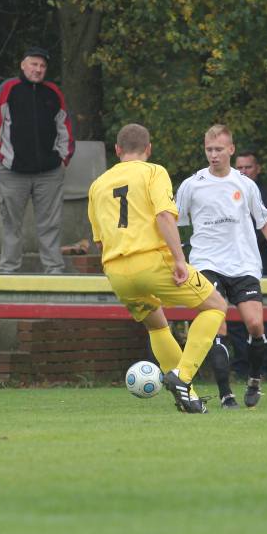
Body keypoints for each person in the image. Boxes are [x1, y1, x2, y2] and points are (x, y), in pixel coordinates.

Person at [87, 123, 228, 414]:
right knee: (215, 306)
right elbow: (164, 216)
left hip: (116, 270)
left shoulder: (98, 185)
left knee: (157, 324)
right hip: (150, 260)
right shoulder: (153, 171)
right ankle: (183, 376)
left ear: (117, 150)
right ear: (148, 149)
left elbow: (99, 241)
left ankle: (187, 398)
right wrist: (179, 259)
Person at [175, 126, 267, 409]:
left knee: (255, 324)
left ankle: (254, 380)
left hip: (243, 264)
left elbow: (263, 221)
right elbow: (174, 225)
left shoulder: (244, 184)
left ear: (231, 149)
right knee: (217, 325)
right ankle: (226, 394)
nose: (213, 155)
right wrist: (175, 259)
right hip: (206, 263)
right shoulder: (192, 185)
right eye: (209, 150)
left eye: (219, 150)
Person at [0, 46, 75, 274]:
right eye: (34, 64)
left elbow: (64, 126)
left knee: (50, 225)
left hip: (49, 172)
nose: (38, 69)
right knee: (11, 225)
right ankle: (9, 271)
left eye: (42, 66)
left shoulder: (53, 92)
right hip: (12, 172)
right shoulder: (7, 89)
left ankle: (54, 270)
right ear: (23, 65)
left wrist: (63, 159)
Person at [231, 148, 267, 381]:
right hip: (231, 264)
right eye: (239, 167)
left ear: (258, 168)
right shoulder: (225, 188)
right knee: (233, 322)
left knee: (262, 321)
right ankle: (241, 368)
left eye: (248, 167)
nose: (243, 171)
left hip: (262, 265)